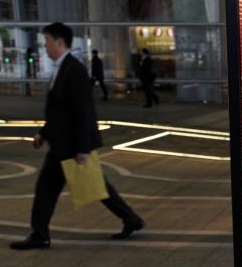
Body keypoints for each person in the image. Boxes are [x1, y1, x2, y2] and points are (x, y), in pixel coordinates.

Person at [10, 22, 145, 250]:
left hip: (71, 146)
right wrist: (43, 133)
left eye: (47, 41)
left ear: (59, 42)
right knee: (88, 187)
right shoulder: (62, 68)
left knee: (66, 188)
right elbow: (59, 110)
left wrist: (83, 148)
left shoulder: (75, 70)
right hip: (63, 144)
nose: (45, 46)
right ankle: (130, 219)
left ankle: (40, 235)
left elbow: (84, 111)